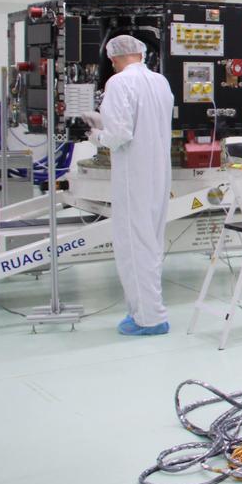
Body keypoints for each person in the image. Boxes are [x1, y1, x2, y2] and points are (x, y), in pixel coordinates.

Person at [82, 35, 175, 336]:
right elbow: (144, 120)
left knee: (134, 246)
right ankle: (144, 308)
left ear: (114, 58)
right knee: (152, 241)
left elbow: (120, 133)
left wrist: (95, 134)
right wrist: (103, 120)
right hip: (159, 170)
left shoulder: (119, 83)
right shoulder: (160, 81)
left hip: (133, 173)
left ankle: (149, 318)